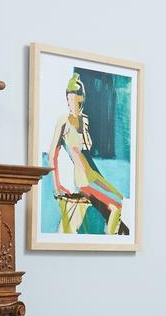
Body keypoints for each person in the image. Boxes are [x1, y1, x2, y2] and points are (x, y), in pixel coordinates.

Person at [47, 71, 129, 236]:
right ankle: (111, 242)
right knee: (116, 207)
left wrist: (104, 183)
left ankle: (113, 237)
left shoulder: (84, 120)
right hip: (82, 179)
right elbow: (52, 154)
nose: (72, 102)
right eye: (70, 98)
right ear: (67, 98)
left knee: (119, 199)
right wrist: (57, 186)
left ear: (81, 98)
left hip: (92, 175)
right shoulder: (63, 121)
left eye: (76, 98)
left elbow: (87, 155)